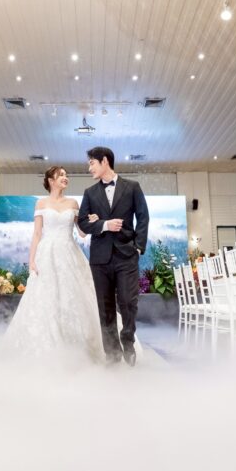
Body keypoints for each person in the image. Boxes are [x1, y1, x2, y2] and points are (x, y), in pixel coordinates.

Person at [5, 166, 105, 363]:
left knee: (73, 296)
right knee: (45, 296)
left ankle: (77, 346)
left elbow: (82, 233)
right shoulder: (41, 203)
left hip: (69, 253)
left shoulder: (73, 203)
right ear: (51, 180)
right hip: (47, 254)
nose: (65, 178)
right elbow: (37, 234)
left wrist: (93, 221)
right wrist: (32, 260)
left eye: (66, 175)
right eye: (61, 175)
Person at [77, 147, 149, 366]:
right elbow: (83, 223)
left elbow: (143, 217)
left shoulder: (132, 187)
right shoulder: (90, 193)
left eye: (92, 163)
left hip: (127, 255)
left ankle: (128, 340)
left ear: (105, 161)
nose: (89, 168)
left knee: (128, 301)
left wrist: (138, 247)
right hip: (99, 258)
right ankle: (112, 354)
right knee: (105, 307)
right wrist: (104, 224)